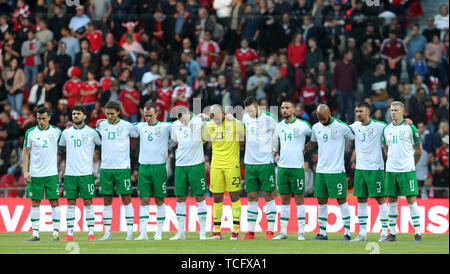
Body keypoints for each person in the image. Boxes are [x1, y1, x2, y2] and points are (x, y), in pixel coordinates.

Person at [304, 104, 355, 241]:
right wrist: (303, 150)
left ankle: (347, 233)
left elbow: (354, 138)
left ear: (330, 114)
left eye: (324, 119)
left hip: (337, 171)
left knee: (341, 200)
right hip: (321, 170)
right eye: (320, 119)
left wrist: (356, 155)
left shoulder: (342, 127)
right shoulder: (316, 127)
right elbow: (314, 142)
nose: (322, 122)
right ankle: (322, 233)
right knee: (321, 201)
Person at [96, 101, 139, 241]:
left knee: (126, 199)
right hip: (106, 168)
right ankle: (107, 233)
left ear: (118, 113)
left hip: (122, 168)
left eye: (112, 114)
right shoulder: (101, 125)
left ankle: (130, 233)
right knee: (106, 200)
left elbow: (139, 135)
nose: (109, 116)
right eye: (107, 114)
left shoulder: (127, 126)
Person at [382, 101, 423, 242]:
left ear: (402, 112)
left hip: (407, 170)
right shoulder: (386, 129)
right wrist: (391, 161)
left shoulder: (410, 128)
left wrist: (411, 165)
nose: (393, 112)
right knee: (392, 201)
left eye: (395, 110)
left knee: (411, 200)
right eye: (391, 110)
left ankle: (417, 233)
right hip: (391, 170)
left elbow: (419, 150)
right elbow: (385, 147)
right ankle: (392, 233)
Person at [202, 104, 245, 240]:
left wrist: (235, 119)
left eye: (216, 114)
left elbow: (246, 132)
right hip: (216, 166)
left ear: (222, 113)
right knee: (217, 198)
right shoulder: (209, 126)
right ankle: (217, 232)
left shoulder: (233, 123)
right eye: (211, 114)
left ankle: (235, 232)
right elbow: (200, 141)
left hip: (232, 165)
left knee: (234, 197)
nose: (213, 117)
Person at [59, 105, 101, 241]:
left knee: (88, 202)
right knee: (70, 203)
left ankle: (91, 233)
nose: (75, 116)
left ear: (84, 116)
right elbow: (62, 148)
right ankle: (70, 233)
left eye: (78, 114)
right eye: (74, 114)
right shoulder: (66, 133)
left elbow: (102, 145)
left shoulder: (92, 133)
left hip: (86, 174)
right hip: (70, 174)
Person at [239, 96, 278, 240]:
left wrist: (275, 152)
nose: (249, 113)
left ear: (257, 107)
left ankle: (270, 231)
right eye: (247, 111)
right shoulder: (245, 118)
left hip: (266, 163)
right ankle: (250, 232)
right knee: (251, 197)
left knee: (269, 196)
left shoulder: (270, 118)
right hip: (250, 163)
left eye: (251, 110)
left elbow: (277, 136)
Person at [350, 102, 389, 242]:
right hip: (360, 170)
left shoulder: (380, 126)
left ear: (368, 112)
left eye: (361, 111)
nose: (358, 113)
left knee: (380, 200)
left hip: (376, 169)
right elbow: (339, 129)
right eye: (356, 111)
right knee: (361, 200)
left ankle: (384, 233)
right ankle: (362, 234)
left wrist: (407, 122)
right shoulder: (354, 127)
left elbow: (395, 127)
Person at [273, 98, 312, 240]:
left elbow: (314, 138)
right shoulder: (279, 126)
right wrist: (275, 156)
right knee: (284, 200)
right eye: (282, 108)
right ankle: (283, 232)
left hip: (297, 168)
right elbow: (274, 144)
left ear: (294, 110)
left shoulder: (303, 125)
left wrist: (307, 151)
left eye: (287, 108)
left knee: (299, 199)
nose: (284, 110)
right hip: (283, 168)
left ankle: (301, 231)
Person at [22, 106, 62, 241]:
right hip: (35, 174)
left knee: (54, 202)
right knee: (35, 203)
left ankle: (55, 232)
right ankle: (35, 233)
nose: (41, 121)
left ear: (49, 117)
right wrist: (25, 171)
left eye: (44, 118)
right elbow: (25, 152)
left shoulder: (57, 132)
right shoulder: (30, 133)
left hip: (51, 174)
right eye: (39, 119)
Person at [134, 103, 173, 241]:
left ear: (157, 114)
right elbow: (123, 126)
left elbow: (181, 124)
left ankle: (159, 232)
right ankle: (143, 233)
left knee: (159, 200)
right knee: (144, 200)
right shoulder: (140, 126)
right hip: (144, 168)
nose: (148, 118)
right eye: (146, 116)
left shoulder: (165, 126)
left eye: (151, 115)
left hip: (159, 168)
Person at [169, 106, 208, 240]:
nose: (182, 121)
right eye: (179, 118)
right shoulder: (175, 125)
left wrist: (206, 117)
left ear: (188, 113)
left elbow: (210, 122)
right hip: (180, 165)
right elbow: (175, 140)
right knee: (180, 198)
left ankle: (202, 232)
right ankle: (180, 232)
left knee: (200, 197)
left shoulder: (198, 121)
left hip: (196, 164)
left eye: (183, 117)